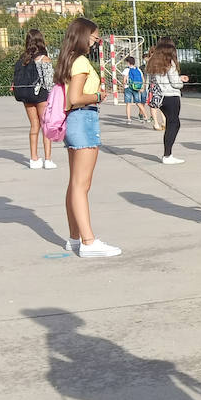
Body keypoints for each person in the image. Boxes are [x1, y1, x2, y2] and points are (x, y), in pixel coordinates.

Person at [56, 18, 120, 257]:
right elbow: (74, 97)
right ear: (84, 36)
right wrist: (97, 96)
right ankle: (89, 241)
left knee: (75, 183)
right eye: (94, 38)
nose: (95, 43)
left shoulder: (68, 59)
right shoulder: (81, 61)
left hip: (75, 122)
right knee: (82, 185)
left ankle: (75, 237)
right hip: (83, 119)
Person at [145, 38, 190, 165]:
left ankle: (167, 153)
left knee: (172, 123)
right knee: (173, 123)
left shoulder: (152, 63)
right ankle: (167, 154)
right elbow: (175, 84)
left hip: (159, 96)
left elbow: (157, 79)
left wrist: (178, 78)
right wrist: (181, 81)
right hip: (171, 96)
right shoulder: (170, 63)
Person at [17, 29, 57, 169]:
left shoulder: (23, 59)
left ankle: (34, 158)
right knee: (45, 125)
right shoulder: (44, 59)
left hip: (27, 95)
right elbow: (48, 82)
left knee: (34, 126)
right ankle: (48, 159)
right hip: (41, 95)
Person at [122, 55, 152, 126]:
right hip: (137, 87)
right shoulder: (138, 69)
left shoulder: (127, 70)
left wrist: (124, 85)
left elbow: (124, 80)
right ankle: (146, 117)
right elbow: (142, 78)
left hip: (128, 88)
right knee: (138, 103)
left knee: (128, 104)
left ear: (128, 63)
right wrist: (142, 86)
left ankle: (129, 119)